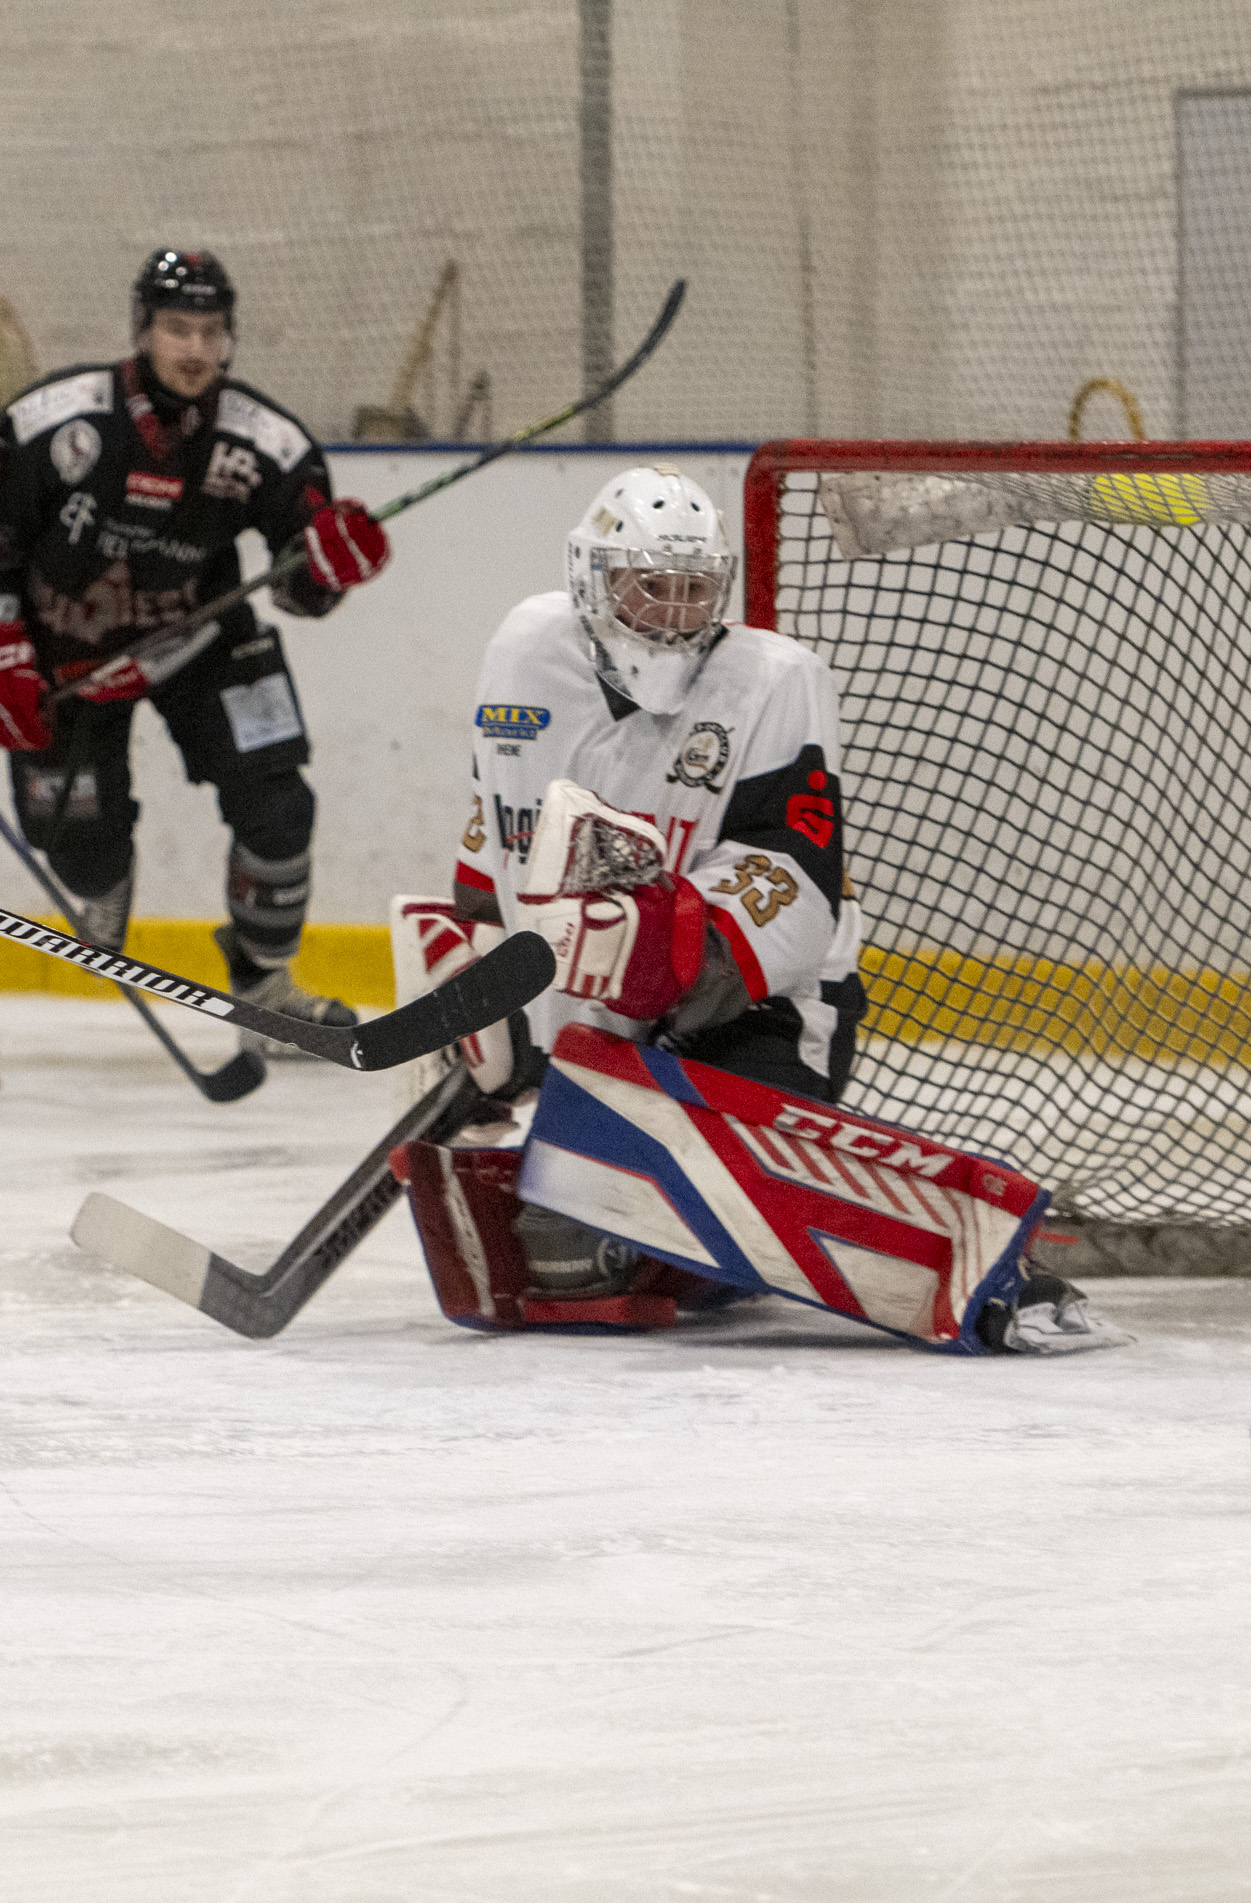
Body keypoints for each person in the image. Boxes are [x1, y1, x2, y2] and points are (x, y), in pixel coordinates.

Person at [395, 466, 1107, 1350]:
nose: (672, 615)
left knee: (594, 1224)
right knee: (510, 1215)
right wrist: (483, 1009)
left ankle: (976, 1264)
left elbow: (796, 891)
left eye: (695, 593)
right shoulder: (525, 653)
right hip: (602, 1030)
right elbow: (495, 837)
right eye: (648, 589)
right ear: (592, 582)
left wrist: (654, 946)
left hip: (761, 1014)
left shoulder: (773, 683)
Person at [0, 248, 392, 1053]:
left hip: (201, 641)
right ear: (142, 331)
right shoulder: (55, 423)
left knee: (280, 805)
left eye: (211, 332)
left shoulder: (267, 443)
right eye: (177, 329)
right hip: (69, 658)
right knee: (77, 849)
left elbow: (300, 584)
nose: (195, 349)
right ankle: (102, 872)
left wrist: (328, 571)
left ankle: (266, 986)